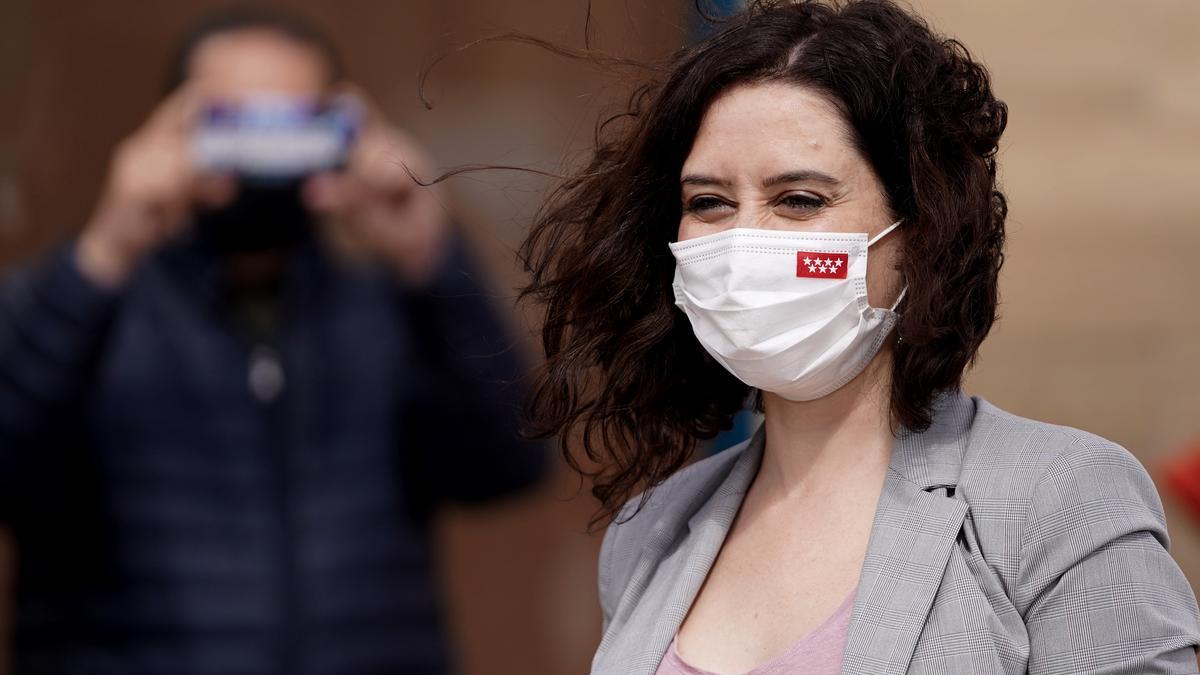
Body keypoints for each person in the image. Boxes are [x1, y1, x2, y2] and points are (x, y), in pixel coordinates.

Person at [517, 1, 1200, 673]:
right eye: (709, 202)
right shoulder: (650, 531)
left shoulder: (1059, 498)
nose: (744, 237)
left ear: (917, 231)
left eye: (800, 200)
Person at [0, 8, 545, 675]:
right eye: (232, 123)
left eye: (291, 125)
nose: (261, 157)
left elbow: (507, 467)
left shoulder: (389, 309)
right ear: (169, 132)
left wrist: (430, 259)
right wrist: (106, 252)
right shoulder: (71, 305)